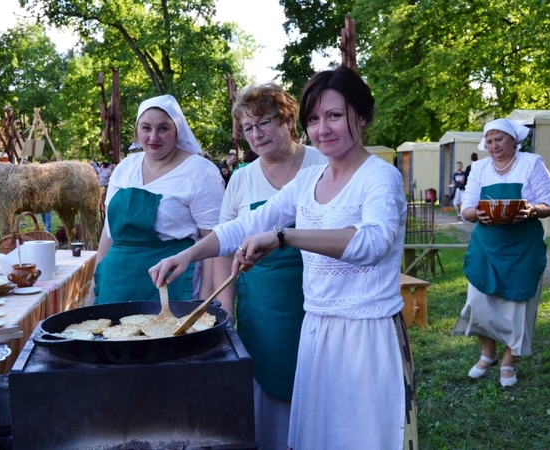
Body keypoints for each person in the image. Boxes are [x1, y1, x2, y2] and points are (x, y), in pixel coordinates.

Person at [150, 66, 417, 449]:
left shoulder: (379, 176)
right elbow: (244, 225)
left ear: (362, 116)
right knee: (318, 438)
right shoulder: (308, 181)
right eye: (314, 118)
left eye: (334, 116)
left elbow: (371, 243)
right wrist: (187, 254)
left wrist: (284, 236)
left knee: (361, 437)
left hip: (366, 332)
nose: (322, 128)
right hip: (317, 329)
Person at [214, 82, 328, 449]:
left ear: (288, 119)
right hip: (262, 304)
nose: (255, 135)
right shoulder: (241, 180)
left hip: (319, 298)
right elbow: (224, 246)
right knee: (268, 384)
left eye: (263, 122)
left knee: (320, 381)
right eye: (247, 128)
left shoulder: (322, 163)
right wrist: (225, 309)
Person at [86, 94, 224, 305]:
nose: (153, 137)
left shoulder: (200, 172)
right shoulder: (125, 168)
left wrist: (205, 300)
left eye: (163, 128)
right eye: (146, 128)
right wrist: (94, 289)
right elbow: (108, 233)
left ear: (177, 131)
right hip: (116, 285)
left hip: (169, 286)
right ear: (137, 131)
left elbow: (213, 242)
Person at [454, 118, 550, 388]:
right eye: (490, 140)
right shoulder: (481, 168)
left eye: (500, 139)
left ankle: (509, 360)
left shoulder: (531, 163)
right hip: (488, 245)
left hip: (522, 247)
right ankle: (488, 352)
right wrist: (477, 214)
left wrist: (532, 210)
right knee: (477, 302)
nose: (494, 145)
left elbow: (548, 202)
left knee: (518, 308)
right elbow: (467, 208)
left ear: (513, 141)